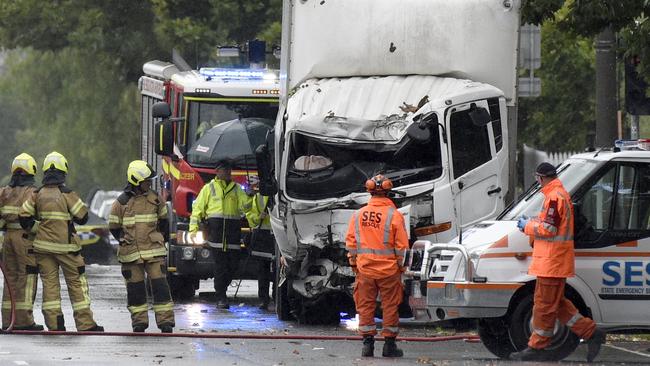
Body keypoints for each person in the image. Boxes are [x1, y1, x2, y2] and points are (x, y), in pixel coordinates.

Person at [511, 162, 606, 362]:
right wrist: (532, 223)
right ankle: (591, 333)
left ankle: (536, 346)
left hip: (551, 263)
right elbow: (550, 225)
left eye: (537, 179)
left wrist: (527, 225)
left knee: (544, 306)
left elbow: (549, 229)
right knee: (558, 304)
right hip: (554, 262)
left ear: (540, 178)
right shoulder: (558, 195)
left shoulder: (554, 198)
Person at [19, 152, 103, 332]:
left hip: (42, 249)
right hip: (67, 250)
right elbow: (83, 217)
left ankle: (55, 324)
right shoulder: (67, 194)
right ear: (63, 172)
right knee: (76, 284)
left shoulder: (37, 194)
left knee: (50, 285)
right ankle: (85, 324)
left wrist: (39, 229)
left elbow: (23, 218)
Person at [345, 174, 409, 358]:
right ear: (388, 192)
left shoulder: (358, 215)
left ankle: (367, 345)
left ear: (369, 192)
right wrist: (402, 269)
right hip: (389, 271)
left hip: (365, 269)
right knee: (390, 306)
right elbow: (402, 247)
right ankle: (389, 346)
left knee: (365, 306)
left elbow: (350, 243)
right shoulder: (394, 216)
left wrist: (354, 264)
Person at [109, 160, 174, 333]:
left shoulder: (155, 199)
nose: (149, 184)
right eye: (146, 181)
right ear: (136, 181)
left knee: (161, 287)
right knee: (135, 290)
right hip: (131, 254)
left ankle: (165, 322)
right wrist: (124, 239)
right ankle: (139, 323)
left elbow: (164, 222)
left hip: (154, 251)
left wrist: (160, 238)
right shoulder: (121, 203)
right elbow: (114, 227)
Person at [189, 160, 251, 309]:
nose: (228, 172)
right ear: (217, 171)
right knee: (220, 267)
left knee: (233, 266)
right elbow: (197, 209)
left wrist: (251, 198)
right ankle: (221, 297)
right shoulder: (209, 188)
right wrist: (193, 229)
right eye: (225, 170)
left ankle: (222, 289)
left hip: (232, 236)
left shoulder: (237, 189)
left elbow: (247, 207)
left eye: (229, 170)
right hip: (216, 238)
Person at [0, 153, 43, 331]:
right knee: (27, 277)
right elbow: (38, 217)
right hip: (25, 239)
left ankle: (7, 320)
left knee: (10, 279)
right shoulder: (32, 192)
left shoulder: (3, 192)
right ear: (31, 171)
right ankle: (24, 321)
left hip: (7, 239)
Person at [244, 176, 274, 310]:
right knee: (263, 271)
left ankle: (275, 297)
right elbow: (250, 218)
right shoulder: (256, 198)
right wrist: (258, 217)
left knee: (277, 272)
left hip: (275, 236)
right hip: (262, 235)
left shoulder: (274, 194)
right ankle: (264, 299)